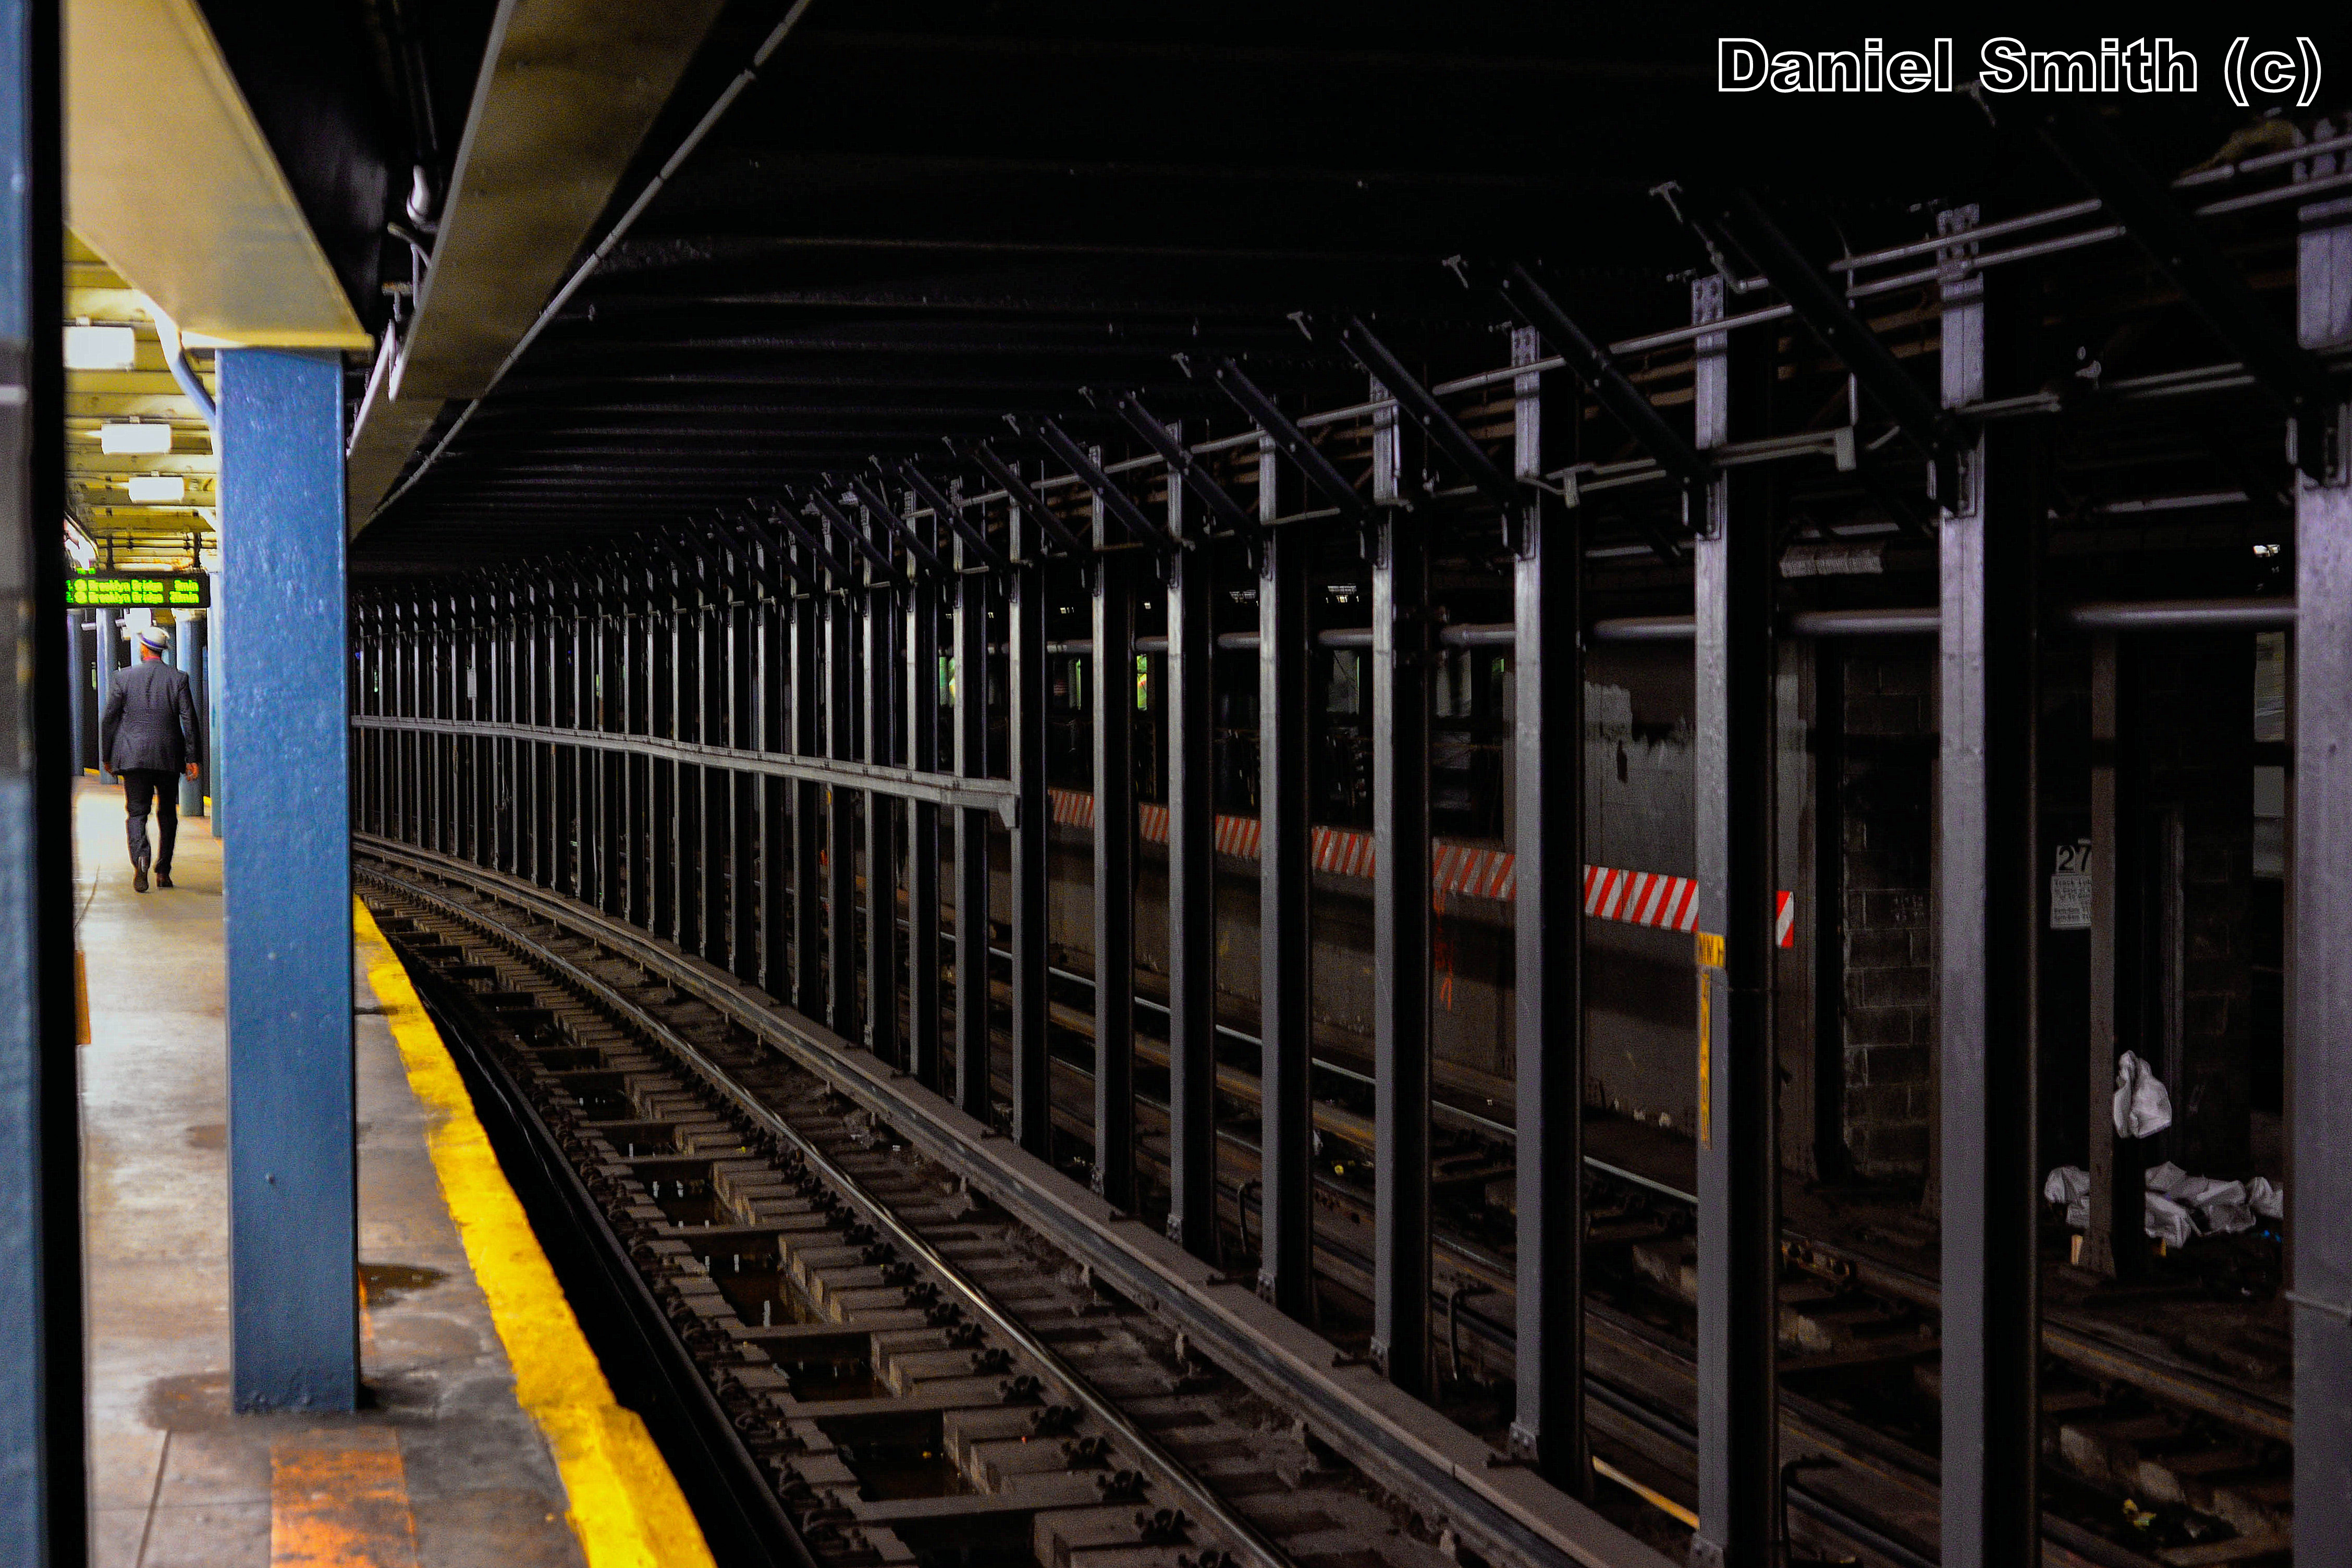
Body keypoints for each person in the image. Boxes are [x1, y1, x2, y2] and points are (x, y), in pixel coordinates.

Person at [99, 623, 200, 892]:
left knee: (137, 812)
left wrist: (107, 756)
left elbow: (109, 720)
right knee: (167, 813)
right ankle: (163, 871)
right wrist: (193, 757)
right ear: (163, 651)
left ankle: (141, 860)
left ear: (144, 649)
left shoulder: (122, 678)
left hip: (133, 756)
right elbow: (189, 720)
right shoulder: (178, 679)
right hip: (168, 756)